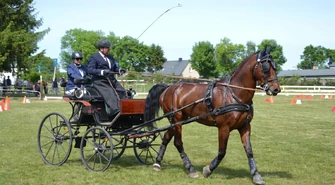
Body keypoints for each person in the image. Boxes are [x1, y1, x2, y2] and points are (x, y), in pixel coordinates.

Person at [87, 39, 127, 116]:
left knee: (122, 91)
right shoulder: (94, 57)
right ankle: (115, 110)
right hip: (99, 81)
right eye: (107, 48)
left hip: (111, 79)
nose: (109, 50)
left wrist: (120, 70)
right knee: (110, 92)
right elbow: (90, 70)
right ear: (101, 49)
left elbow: (114, 68)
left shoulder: (110, 58)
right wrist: (101, 72)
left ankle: (125, 108)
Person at [66, 51, 88, 122]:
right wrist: (82, 79)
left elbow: (90, 74)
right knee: (80, 96)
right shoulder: (70, 67)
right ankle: (75, 116)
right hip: (72, 88)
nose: (79, 60)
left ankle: (87, 115)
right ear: (73, 59)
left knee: (92, 96)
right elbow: (73, 75)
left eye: (80, 59)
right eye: (77, 59)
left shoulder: (84, 67)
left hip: (82, 88)